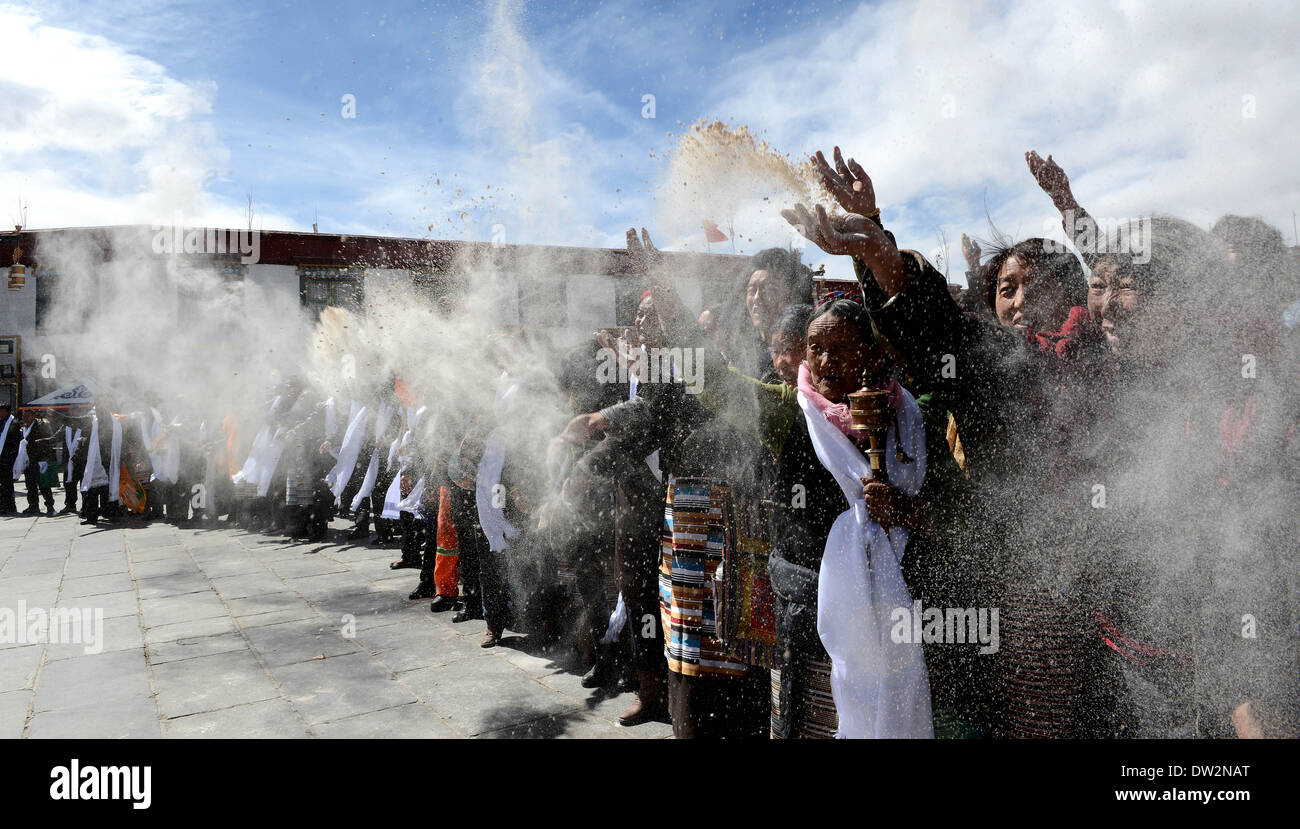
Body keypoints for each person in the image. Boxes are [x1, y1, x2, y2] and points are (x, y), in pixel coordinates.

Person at [22, 409, 59, 516]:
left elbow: (49, 441)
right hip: (29, 460)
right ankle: (33, 506)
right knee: (30, 485)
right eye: (24, 416)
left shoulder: (42, 425)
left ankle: (50, 506)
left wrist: (47, 458)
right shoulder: (24, 427)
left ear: (33, 416)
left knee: (44, 485)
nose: (25, 418)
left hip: (40, 459)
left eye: (28, 416)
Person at [0, 405, 22, 515]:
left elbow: (15, 442)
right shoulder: (2, 422)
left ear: (7, 412)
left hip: (8, 458)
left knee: (7, 484)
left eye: (1, 411)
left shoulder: (13, 423)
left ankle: (9, 506)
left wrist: (10, 457)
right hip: (1, 457)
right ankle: (2, 505)